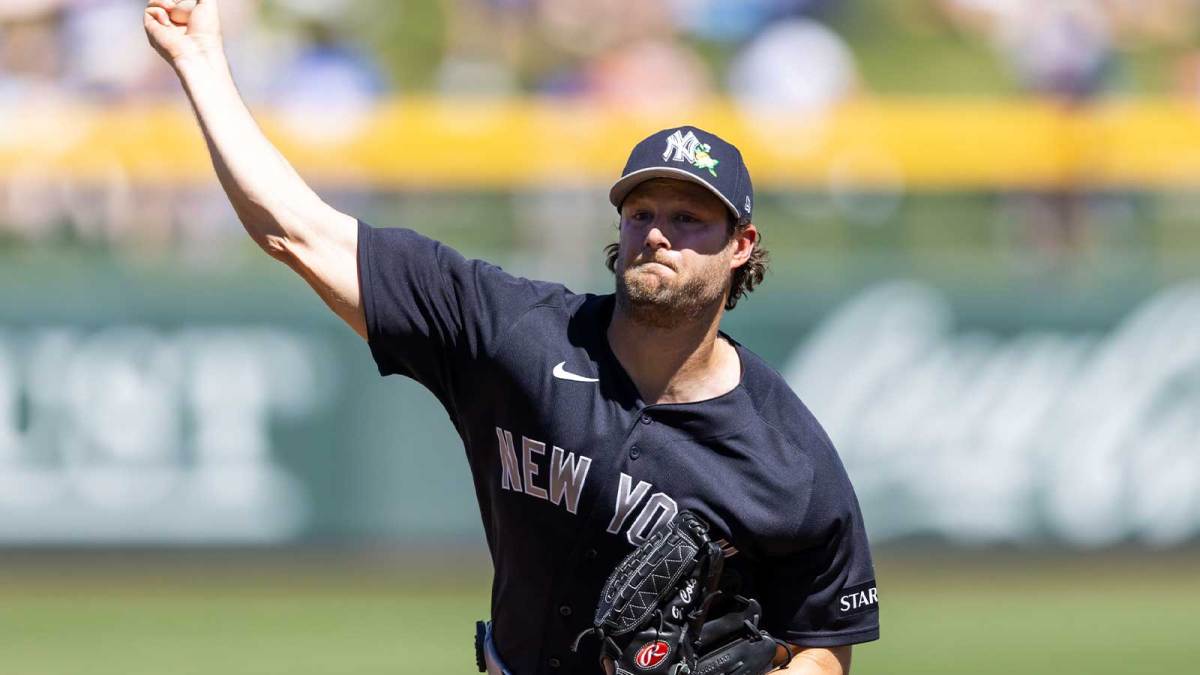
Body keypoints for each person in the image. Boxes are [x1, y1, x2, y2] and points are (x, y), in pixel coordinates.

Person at [142, 1, 879, 673]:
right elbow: (298, 232)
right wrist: (199, 62)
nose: (657, 233)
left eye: (688, 218)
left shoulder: (788, 455)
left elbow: (826, 643)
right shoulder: (518, 334)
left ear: (741, 245)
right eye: (641, 212)